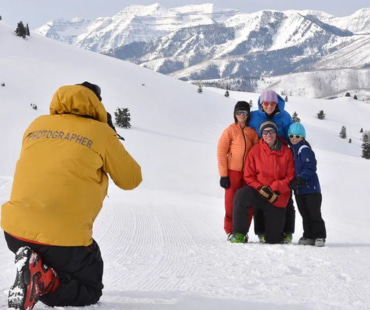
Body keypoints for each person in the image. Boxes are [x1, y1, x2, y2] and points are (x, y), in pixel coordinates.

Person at [1, 82, 142, 310]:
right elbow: (131, 180)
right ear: (96, 104)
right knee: (90, 288)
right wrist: (111, 134)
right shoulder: (101, 133)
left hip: (14, 233)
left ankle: (34, 266)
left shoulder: (36, 125)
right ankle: (43, 283)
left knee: (53, 248)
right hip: (63, 241)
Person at [231, 120, 295, 244]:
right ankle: (239, 233)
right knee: (241, 195)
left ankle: (276, 232)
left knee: (274, 240)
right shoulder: (255, 151)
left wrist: (274, 187)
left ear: (276, 133)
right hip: (259, 192)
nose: (268, 134)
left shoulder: (286, 152)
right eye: (265, 132)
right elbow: (248, 176)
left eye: (271, 131)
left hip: (277, 196)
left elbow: (290, 177)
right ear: (262, 134)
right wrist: (260, 188)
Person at [248, 89, 295, 243]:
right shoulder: (254, 116)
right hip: (260, 156)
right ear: (261, 104)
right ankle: (261, 230)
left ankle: (287, 231)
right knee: (259, 196)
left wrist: (293, 155)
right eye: (266, 103)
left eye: (272, 103)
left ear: (276, 104)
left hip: (281, 156)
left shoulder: (285, 117)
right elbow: (244, 129)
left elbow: (291, 137)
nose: (269, 106)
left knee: (286, 197)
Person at [217, 101, 259, 241]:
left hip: (248, 174)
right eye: (239, 112)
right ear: (235, 114)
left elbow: (257, 153)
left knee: (248, 202)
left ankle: (242, 231)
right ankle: (230, 231)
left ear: (248, 115)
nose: (242, 115)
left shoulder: (252, 133)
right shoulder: (230, 131)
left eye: (245, 112)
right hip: (232, 171)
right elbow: (221, 152)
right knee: (230, 202)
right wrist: (224, 175)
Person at [288, 122, 326, 247]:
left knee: (313, 213)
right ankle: (309, 236)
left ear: (303, 137)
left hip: (311, 190)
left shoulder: (304, 149)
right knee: (305, 214)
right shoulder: (292, 150)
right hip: (300, 190)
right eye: (292, 136)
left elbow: (310, 167)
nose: (294, 138)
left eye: (297, 136)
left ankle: (319, 236)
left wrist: (300, 179)